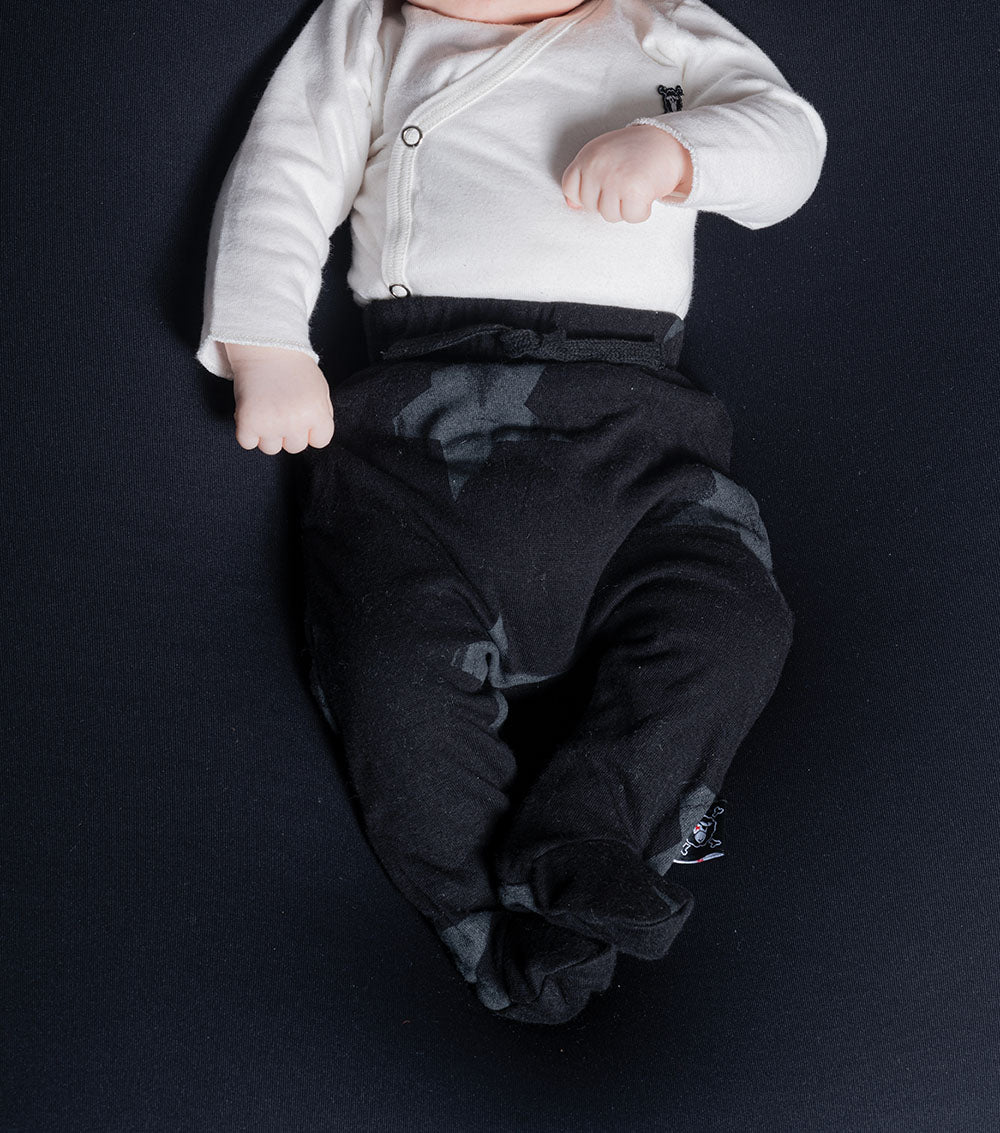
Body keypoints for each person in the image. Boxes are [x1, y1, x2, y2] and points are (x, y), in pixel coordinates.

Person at [196, 0, 827, 1025]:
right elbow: (283, 170)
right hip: (421, 435)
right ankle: (480, 918)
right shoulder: (371, 33)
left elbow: (788, 138)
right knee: (387, 669)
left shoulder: (659, 25)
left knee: (734, 620)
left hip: (634, 438)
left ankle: (589, 834)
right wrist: (266, 340)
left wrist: (678, 152)